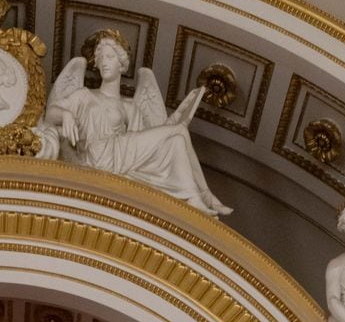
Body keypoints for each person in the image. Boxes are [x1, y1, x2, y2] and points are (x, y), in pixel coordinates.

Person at [46, 30, 231, 218]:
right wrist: (66, 114)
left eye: (109, 57)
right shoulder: (84, 95)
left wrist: (170, 124)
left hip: (122, 156)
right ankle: (205, 196)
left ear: (121, 64)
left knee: (176, 140)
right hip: (99, 155)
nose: (103, 62)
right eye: (100, 58)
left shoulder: (130, 108)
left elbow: (147, 151)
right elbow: (50, 115)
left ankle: (194, 196)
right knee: (179, 131)